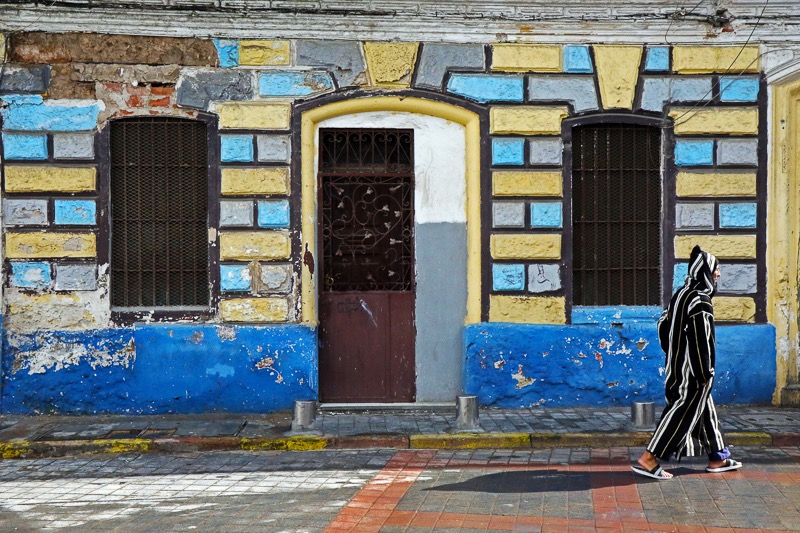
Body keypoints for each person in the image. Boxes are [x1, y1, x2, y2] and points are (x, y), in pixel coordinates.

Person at [632, 245, 742, 480]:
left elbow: (663, 325)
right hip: (693, 371)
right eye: (715, 270)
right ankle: (649, 459)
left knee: (704, 410)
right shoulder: (700, 301)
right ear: (705, 272)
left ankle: (718, 457)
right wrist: (704, 372)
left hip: (678, 366)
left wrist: (673, 351)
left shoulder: (681, 294)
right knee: (681, 412)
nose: (718, 275)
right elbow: (703, 342)